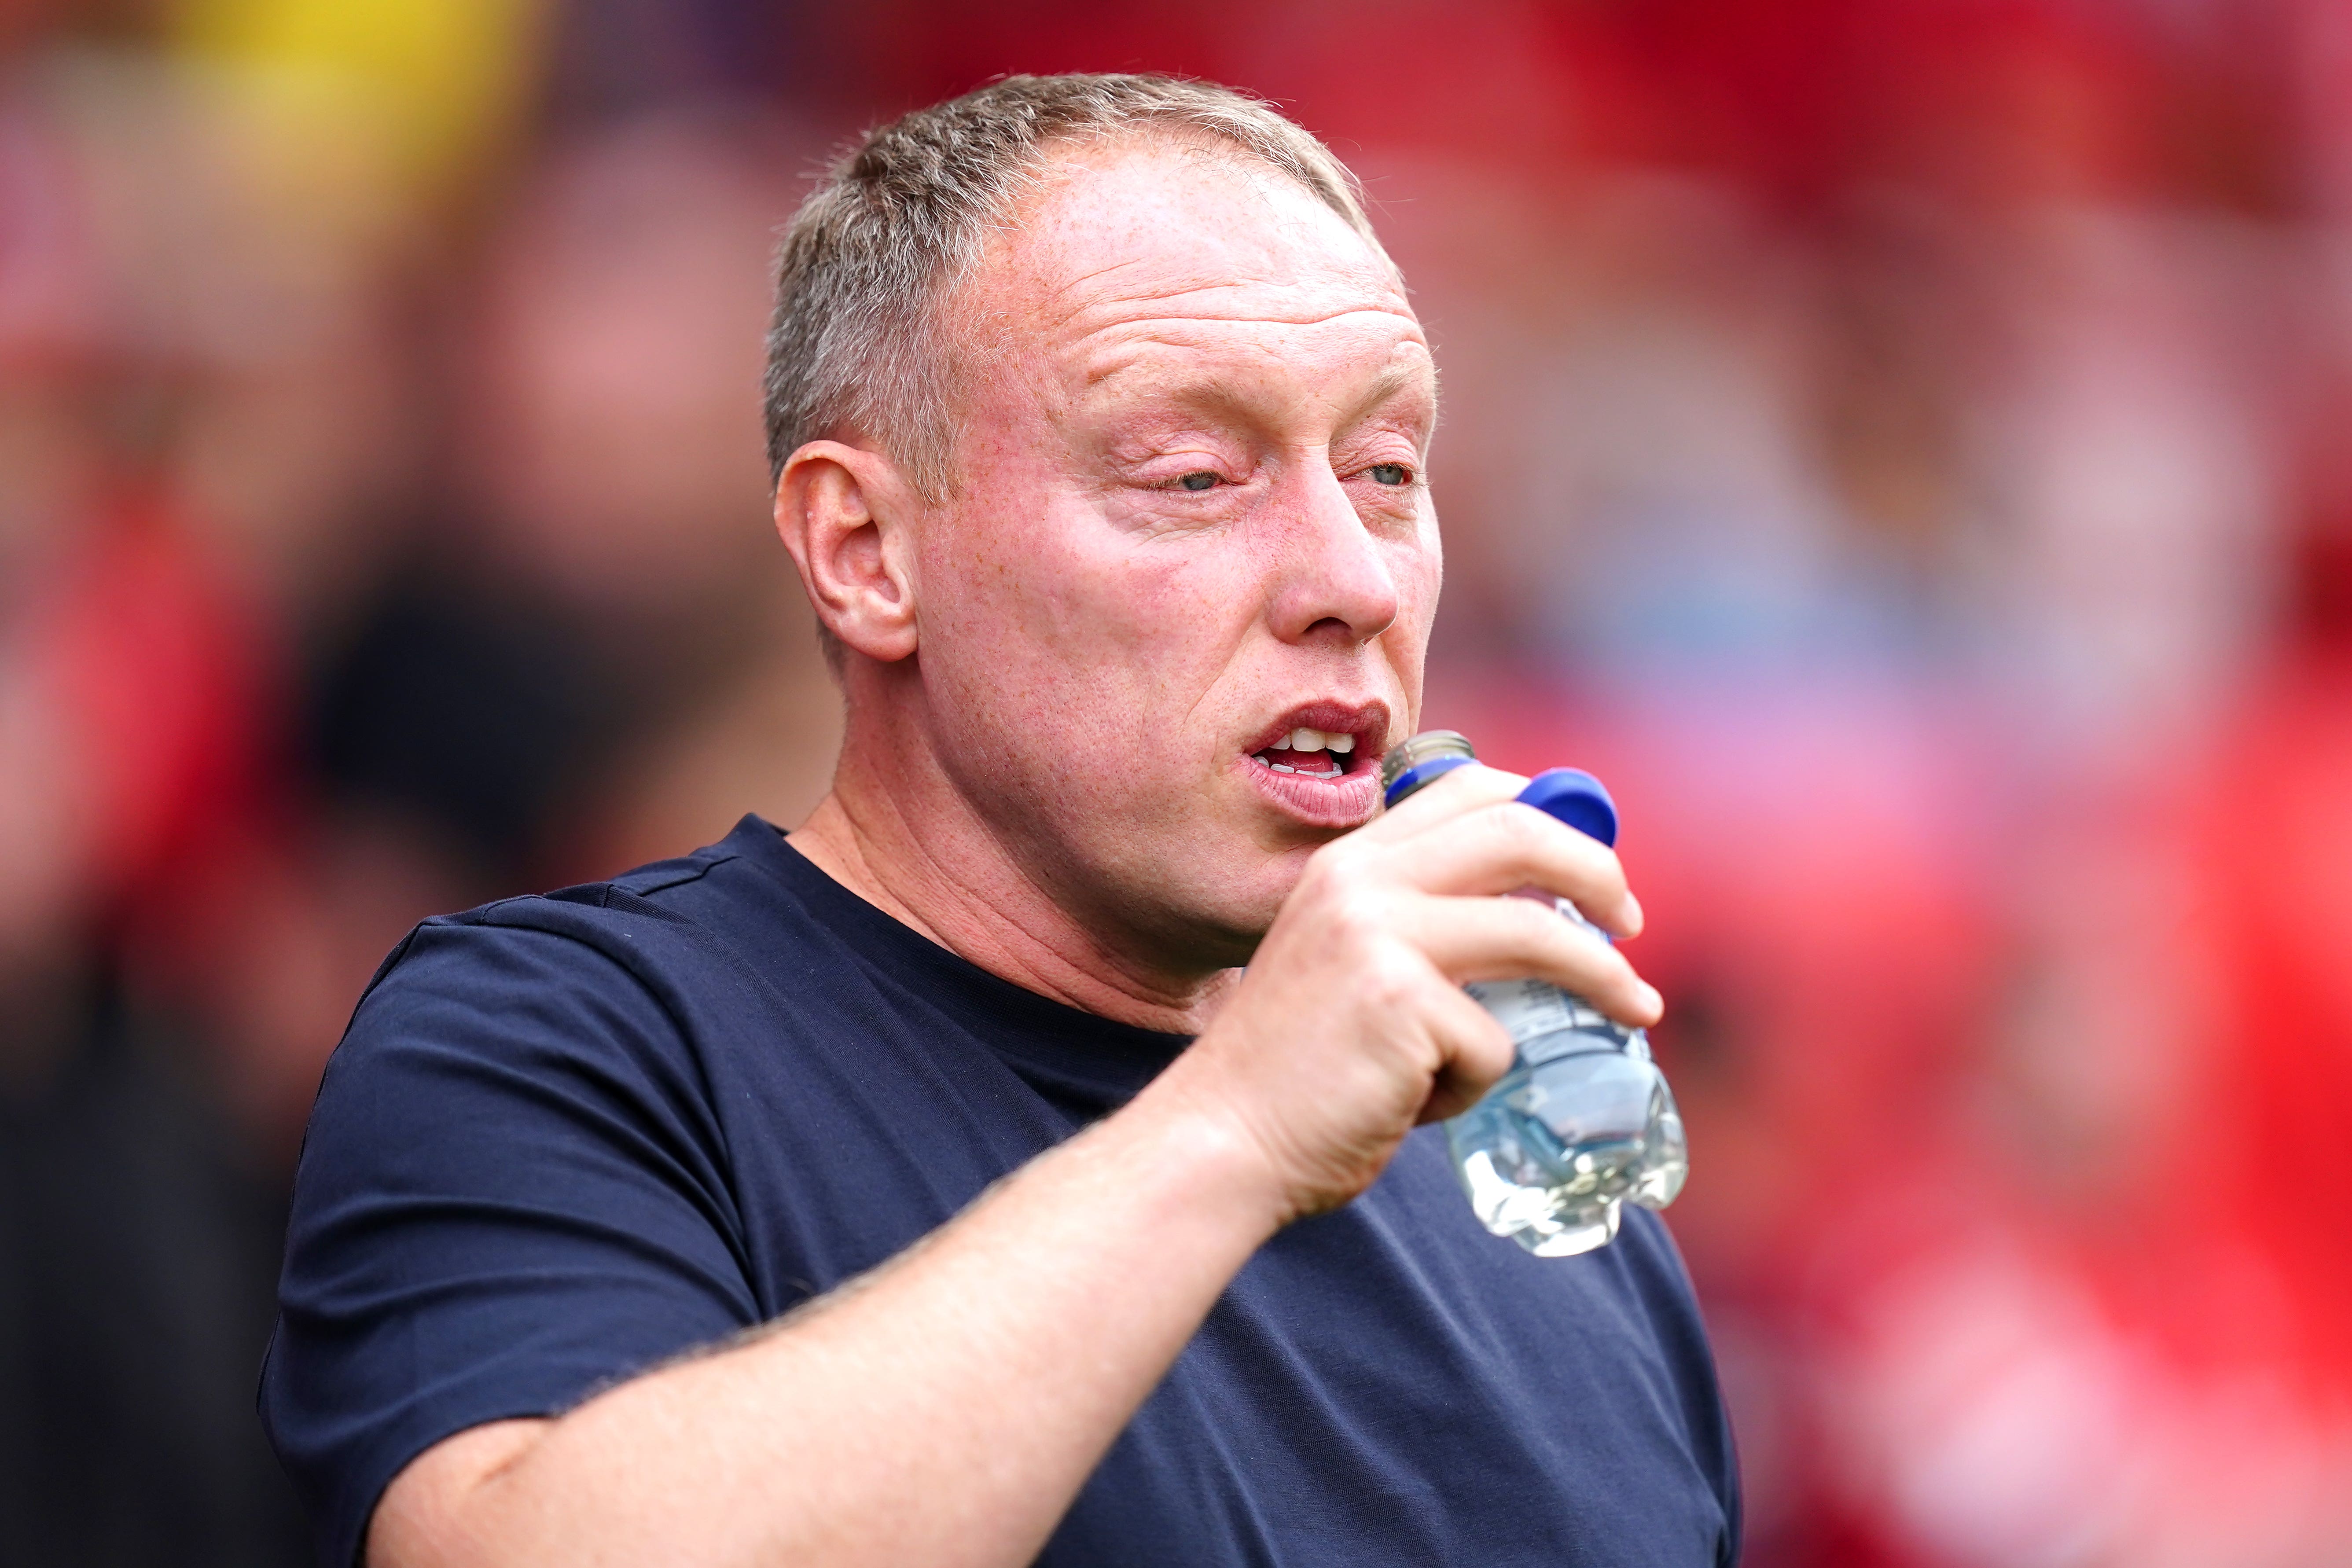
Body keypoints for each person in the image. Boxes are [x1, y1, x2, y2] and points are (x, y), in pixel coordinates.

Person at [261, 74, 1740, 1568]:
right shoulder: (566, 1044)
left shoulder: (1531, 1172)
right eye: (1194, 475)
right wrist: (1237, 1119)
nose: (1351, 577)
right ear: (866, 552)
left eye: (1386, 471)